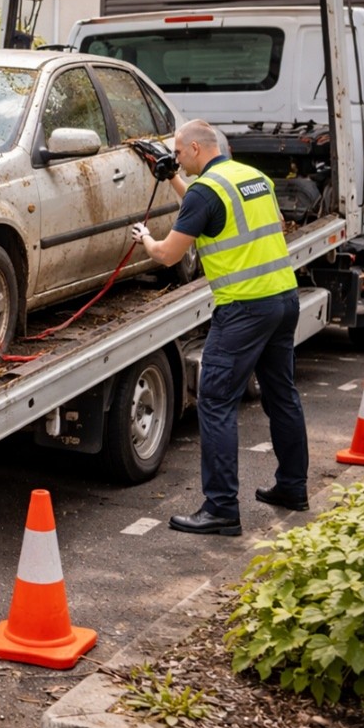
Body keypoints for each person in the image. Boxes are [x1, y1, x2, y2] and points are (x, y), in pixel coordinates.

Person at [130, 119, 309, 536]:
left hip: (243, 308)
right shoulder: (254, 179)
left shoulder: (205, 192)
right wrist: (174, 178)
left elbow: (170, 255)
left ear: (195, 148)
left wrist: (145, 239)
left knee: (214, 400)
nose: (175, 158)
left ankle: (221, 508)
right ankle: (292, 488)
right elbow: (218, 214)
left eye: (178, 152)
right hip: (282, 298)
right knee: (282, 395)